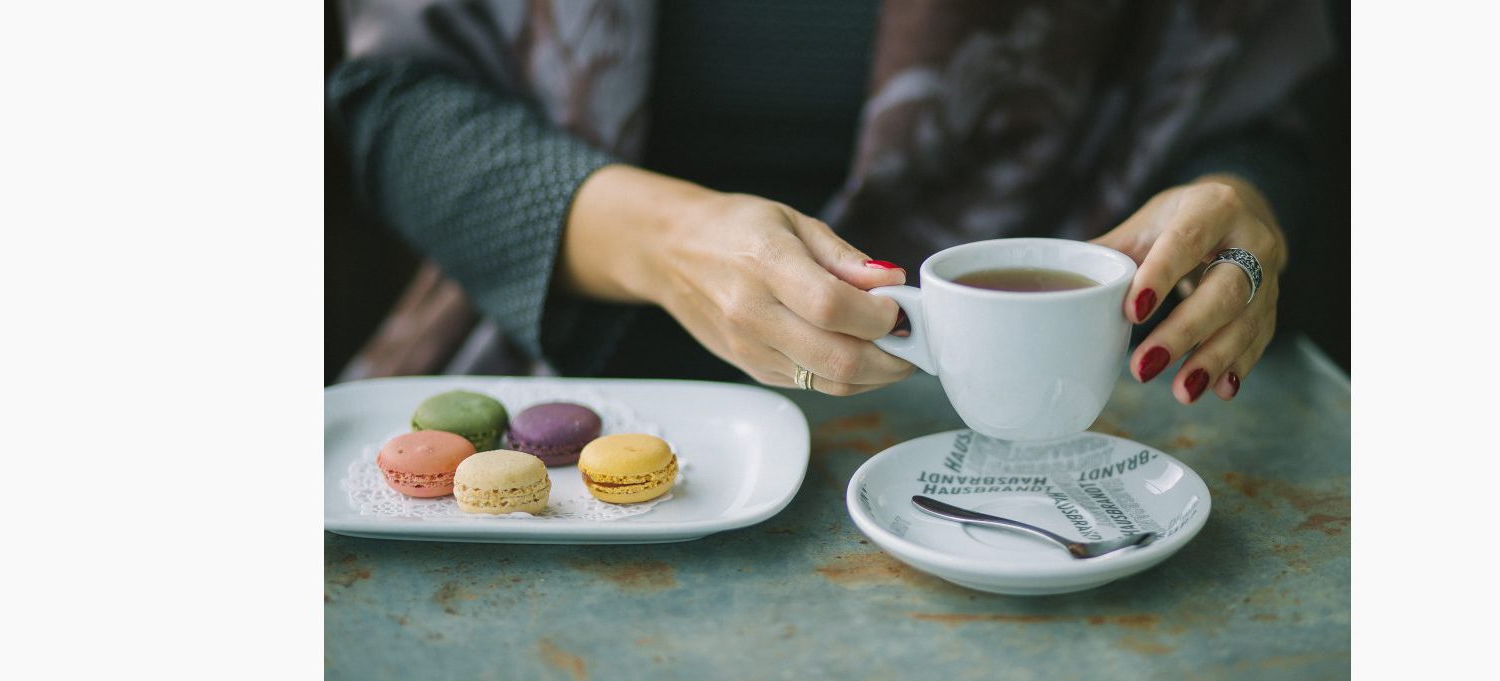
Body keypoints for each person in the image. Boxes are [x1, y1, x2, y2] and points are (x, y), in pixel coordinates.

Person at [329, 0, 1332, 404]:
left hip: (1080, 407)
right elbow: (389, 101)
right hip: (565, 364)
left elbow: (1264, 100)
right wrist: (664, 240)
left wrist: (1239, 210)